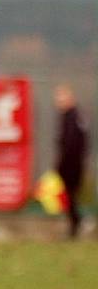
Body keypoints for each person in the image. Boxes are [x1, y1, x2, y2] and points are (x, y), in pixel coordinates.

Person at [53, 84, 89, 238]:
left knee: (71, 196)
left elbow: (72, 144)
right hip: (72, 164)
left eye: (62, 98)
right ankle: (76, 225)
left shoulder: (73, 117)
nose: (59, 102)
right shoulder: (72, 117)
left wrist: (62, 164)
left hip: (72, 165)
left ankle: (78, 223)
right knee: (70, 197)